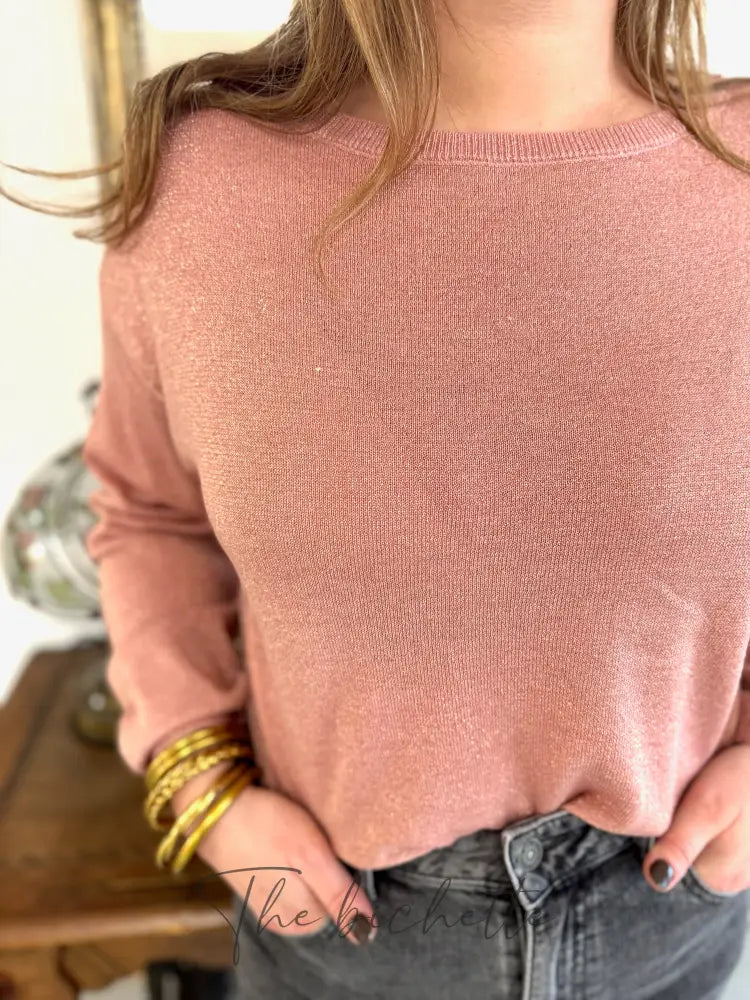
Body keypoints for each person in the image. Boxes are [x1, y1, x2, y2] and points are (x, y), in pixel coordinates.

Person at [6, 1, 750, 997]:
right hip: (336, 930)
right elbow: (149, 514)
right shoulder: (206, 189)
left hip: (677, 913)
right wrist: (200, 783)